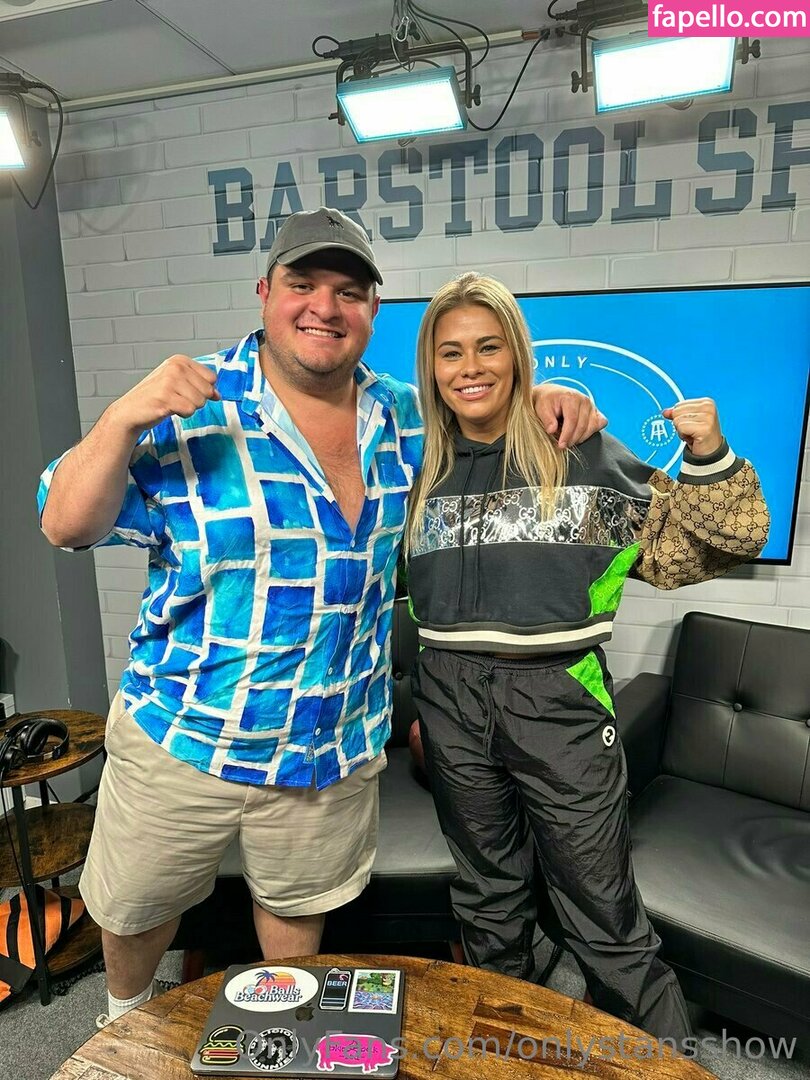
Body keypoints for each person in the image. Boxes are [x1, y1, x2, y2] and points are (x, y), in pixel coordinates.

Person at [36, 209, 604, 1027]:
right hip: (187, 733)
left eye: (349, 291)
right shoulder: (191, 404)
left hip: (329, 746)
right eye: (303, 284)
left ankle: (283, 1031)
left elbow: (486, 413)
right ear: (266, 293)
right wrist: (123, 416)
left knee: (297, 906)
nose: (324, 307)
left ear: (373, 308)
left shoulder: (408, 418)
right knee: (136, 909)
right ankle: (122, 1017)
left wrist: (545, 396)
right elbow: (65, 524)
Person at [403, 272, 769, 1042]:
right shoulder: (415, 467)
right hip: (449, 701)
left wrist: (709, 453)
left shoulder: (578, 452)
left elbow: (720, 543)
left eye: (488, 347)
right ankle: (501, 1047)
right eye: (450, 351)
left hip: (559, 702)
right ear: (430, 366)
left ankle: (661, 1058)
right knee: (488, 899)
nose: (469, 367)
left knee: (602, 911)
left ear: (518, 356)